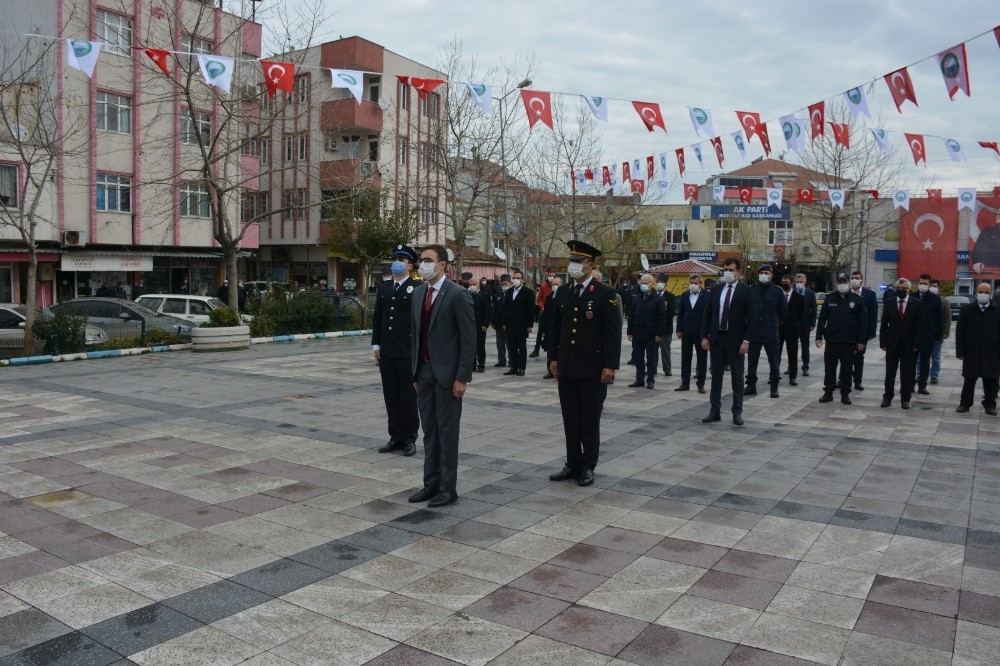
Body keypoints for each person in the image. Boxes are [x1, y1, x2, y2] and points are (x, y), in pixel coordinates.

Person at [548, 240, 622, 486]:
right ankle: (572, 462)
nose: (572, 266)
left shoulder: (605, 294)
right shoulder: (564, 292)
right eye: (570, 261)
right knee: (570, 418)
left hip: (593, 368)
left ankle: (588, 465)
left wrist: (610, 366)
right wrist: (553, 358)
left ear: (590, 265)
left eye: (577, 262)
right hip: (567, 366)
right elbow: (555, 328)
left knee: (589, 419)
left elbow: (612, 333)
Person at [408, 244, 476, 507]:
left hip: (448, 376)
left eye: (427, 260)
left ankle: (448, 488)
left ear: (442, 265)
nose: (422, 264)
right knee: (430, 431)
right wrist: (415, 372)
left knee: (447, 432)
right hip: (423, 373)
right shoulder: (418, 294)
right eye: (420, 260)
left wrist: (462, 377)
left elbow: (468, 341)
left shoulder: (458, 295)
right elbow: (416, 335)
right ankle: (431, 484)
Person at [372, 245, 420, 457]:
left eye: (402, 258)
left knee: (408, 398)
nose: (397, 262)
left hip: (407, 351)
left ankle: (410, 438)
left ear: (410, 265)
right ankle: (395, 437)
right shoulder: (384, 288)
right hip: (387, 351)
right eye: (395, 258)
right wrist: (376, 344)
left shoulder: (417, 287)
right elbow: (378, 319)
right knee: (391, 397)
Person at [701, 258, 757, 426]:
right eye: (725, 269)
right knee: (716, 376)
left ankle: (737, 411)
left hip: (736, 340)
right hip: (717, 338)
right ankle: (714, 410)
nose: (727, 273)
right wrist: (704, 336)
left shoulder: (746, 291)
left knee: (737, 378)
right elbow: (707, 315)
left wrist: (746, 340)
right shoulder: (716, 290)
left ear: (738, 271)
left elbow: (752, 318)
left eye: (731, 270)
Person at [816, 275, 867, 405]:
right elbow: (822, 319)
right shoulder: (830, 299)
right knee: (829, 368)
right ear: (836, 283)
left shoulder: (857, 300)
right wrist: (818, 337)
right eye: (840, 282)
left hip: (849, 342)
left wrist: (861, 341)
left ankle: (845, 394)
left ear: (849, 284)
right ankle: (828, 392)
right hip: (832, 340)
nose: (842, 284)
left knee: (847, 369)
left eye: (844, 282)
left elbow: (863, 323)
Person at [955, 282, 1000, 416]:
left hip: (992, 352)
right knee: (969, 379)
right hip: (971, 352)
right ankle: (965, 403)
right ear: (976, 292)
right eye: (981, 291)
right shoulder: (967, 310)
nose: (983, 295)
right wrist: (960, 352)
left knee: (991, 380)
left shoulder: (997, 310)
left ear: (991, 294)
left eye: (986, 292)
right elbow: (960, 332)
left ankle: (990, 405)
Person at [880, 278, 923, 410]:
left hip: (908, 344)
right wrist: (883, 342)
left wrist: (916, 344)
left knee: (907, 374)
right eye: (898, 288)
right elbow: (884, 324)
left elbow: (919, 326)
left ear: (909, 290)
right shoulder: (889, 302)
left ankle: (905, 399)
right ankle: (887, 397)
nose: (900, 290)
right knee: (890, 373)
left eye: (903, 288)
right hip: (892, 343)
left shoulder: (916, 303)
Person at [745, 264, 787, 398]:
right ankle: (751, 385)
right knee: (752, 361)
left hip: (771, 331)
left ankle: (774, 387)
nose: (764, 275)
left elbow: (783, 313)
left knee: (774, 361)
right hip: (754, 331)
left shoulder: (778, 291)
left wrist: (775, 323)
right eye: (761, 272)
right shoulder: (751, 289)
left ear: (771, 275)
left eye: (766, 273)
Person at [627, 273, 665, 389]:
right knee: (638, 358)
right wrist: (630, 331)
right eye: (642, 283)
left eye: (645, 283)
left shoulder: (658, 299)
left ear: (651, 284)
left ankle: (650, 380)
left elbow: (662, 318)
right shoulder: (637, 298)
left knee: (651, 359)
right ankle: (639, 379)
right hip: (638, 333)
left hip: (651, 335)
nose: (643, 285)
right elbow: (631, 315)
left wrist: (659, 334)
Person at [675, 273, 709, 393]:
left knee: (702, 359)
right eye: (692, 283)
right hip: (687, 331)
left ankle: (701, 383)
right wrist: (679, 329)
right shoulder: (685, 295)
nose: (693, 285)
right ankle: (685, 382)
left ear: (700, 283)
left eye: (696, 283)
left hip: (701, 332)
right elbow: (681, 314)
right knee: (685, 358)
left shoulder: (707, 295)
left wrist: (707, 334)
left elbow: (709, 315)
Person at [911, 274, 944, 395]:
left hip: (927, 336)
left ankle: (922, 386)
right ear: (917, 283)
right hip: (913, 336)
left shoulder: (935, 299)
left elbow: (939, 320)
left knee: (925, 362)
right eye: (921, 283)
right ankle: (910, 385)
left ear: (929, 285)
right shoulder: (912, 296)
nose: (923, 286)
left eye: (925, 284)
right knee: (911, 362)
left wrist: (938, 336)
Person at [849, 271, 879, 391]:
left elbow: (873, 313)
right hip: (847, 331)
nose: (854, 280)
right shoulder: (846, 293)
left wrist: (872, 331)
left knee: (859, 357)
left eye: (857, 278)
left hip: (862, 331)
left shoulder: (870, 294)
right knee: (845, 356)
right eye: (852, 278)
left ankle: (857, 381)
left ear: (862, 281)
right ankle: (843, 379)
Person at [502, 270, 535, 377]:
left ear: (522, 280)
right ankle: (514, 367)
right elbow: (505, 308)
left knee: (521, 347)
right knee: (511, 347)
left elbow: (531, 310)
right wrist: (504, 322)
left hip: (522, 324)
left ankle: (521, 367)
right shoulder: (509, 292)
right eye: (514, 278)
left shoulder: (528, 292)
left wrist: (530, 325)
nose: (515, 280)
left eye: (518, 278)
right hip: (510, 324)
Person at [777, 274, 806, 386]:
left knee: (792, 355)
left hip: (792, 329)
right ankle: (774, 375)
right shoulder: (778, 295)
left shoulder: (799, 298)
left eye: (786, 282)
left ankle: (792, 377)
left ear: (792, 283)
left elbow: (801, 314)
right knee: (776, 354)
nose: (784, 283)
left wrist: (799, 328)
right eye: (783, 281)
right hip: (779, 329)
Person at [928, 279, 951, 385]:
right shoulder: (924, 299)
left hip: (938, 333)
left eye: (935, 286)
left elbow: (947, 318)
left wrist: (945, 333)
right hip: (925, 334)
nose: (933, 287)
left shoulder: (944, 301)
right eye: (931, 286)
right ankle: (918, 374)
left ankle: (934, 375)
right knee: (920, 357)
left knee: (936, 357)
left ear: (938, 288)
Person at [539, 277, 562, 378]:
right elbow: (545, 314)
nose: (555, 286)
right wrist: (543, 329)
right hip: (549, 328)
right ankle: (550, 369)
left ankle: (560, 369)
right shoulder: (549, 297)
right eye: (553, 284)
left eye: (557, 284)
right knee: (550, 348)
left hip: (561, 328)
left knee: (561, 349)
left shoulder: (565, 296)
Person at [795, 274, 817, 376]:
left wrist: (812, 323)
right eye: (797, 282)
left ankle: (805, 366)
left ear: (805, 282)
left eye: (801, 282)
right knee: (792, 346)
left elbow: (813, 309)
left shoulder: (810, 294)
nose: (799, 284)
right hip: (793, 324)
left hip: (805, 324)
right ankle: (791, 366)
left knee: (805, 346)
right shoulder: (792, 292)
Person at [470, 278, 493, 373]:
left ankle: (481, 364)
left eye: (474, 284)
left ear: (478, 285)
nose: (472, 286)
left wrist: (485, 324)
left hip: (480, 325)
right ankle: (472, 364)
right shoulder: (466, 295)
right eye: (470, 284)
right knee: (470, 346)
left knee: (480, 345)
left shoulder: (485, 296)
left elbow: (488, 311)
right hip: (469, 325)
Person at [655, 277, 676, 377]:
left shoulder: (670, 296)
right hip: (653, 329)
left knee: (665, 351)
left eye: (662, 282)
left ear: (666, 284)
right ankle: (652, 368)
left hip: (666, 329)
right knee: (652, 351)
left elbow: (671, 312)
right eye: (658, 282)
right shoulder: (652, 295)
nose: (660, 283)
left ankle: (667, 369)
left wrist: (662, 322)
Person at [530, 273, 554, 358]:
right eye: (550, 275)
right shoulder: (543, 287)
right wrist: (542, 307)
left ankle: (549, 348)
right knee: (540, 331)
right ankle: (536, 350)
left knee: (551, 331)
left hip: (554, 313)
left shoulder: (557, 287)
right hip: (544, 312)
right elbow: (539, 299)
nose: (551, 277)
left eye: (553, 275)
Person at [491, 274, 511, 368]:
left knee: (509, 344)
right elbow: (494, 308)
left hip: (508, 324)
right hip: (498, 324)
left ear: (510, 283)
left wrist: (506, 323)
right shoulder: (499, 293)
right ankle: (501, 360)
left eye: (506, 283)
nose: (504, 285)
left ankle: (512, 360)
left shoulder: (511, 293)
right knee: (500, 344)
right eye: (503, 284)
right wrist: (493, 321)